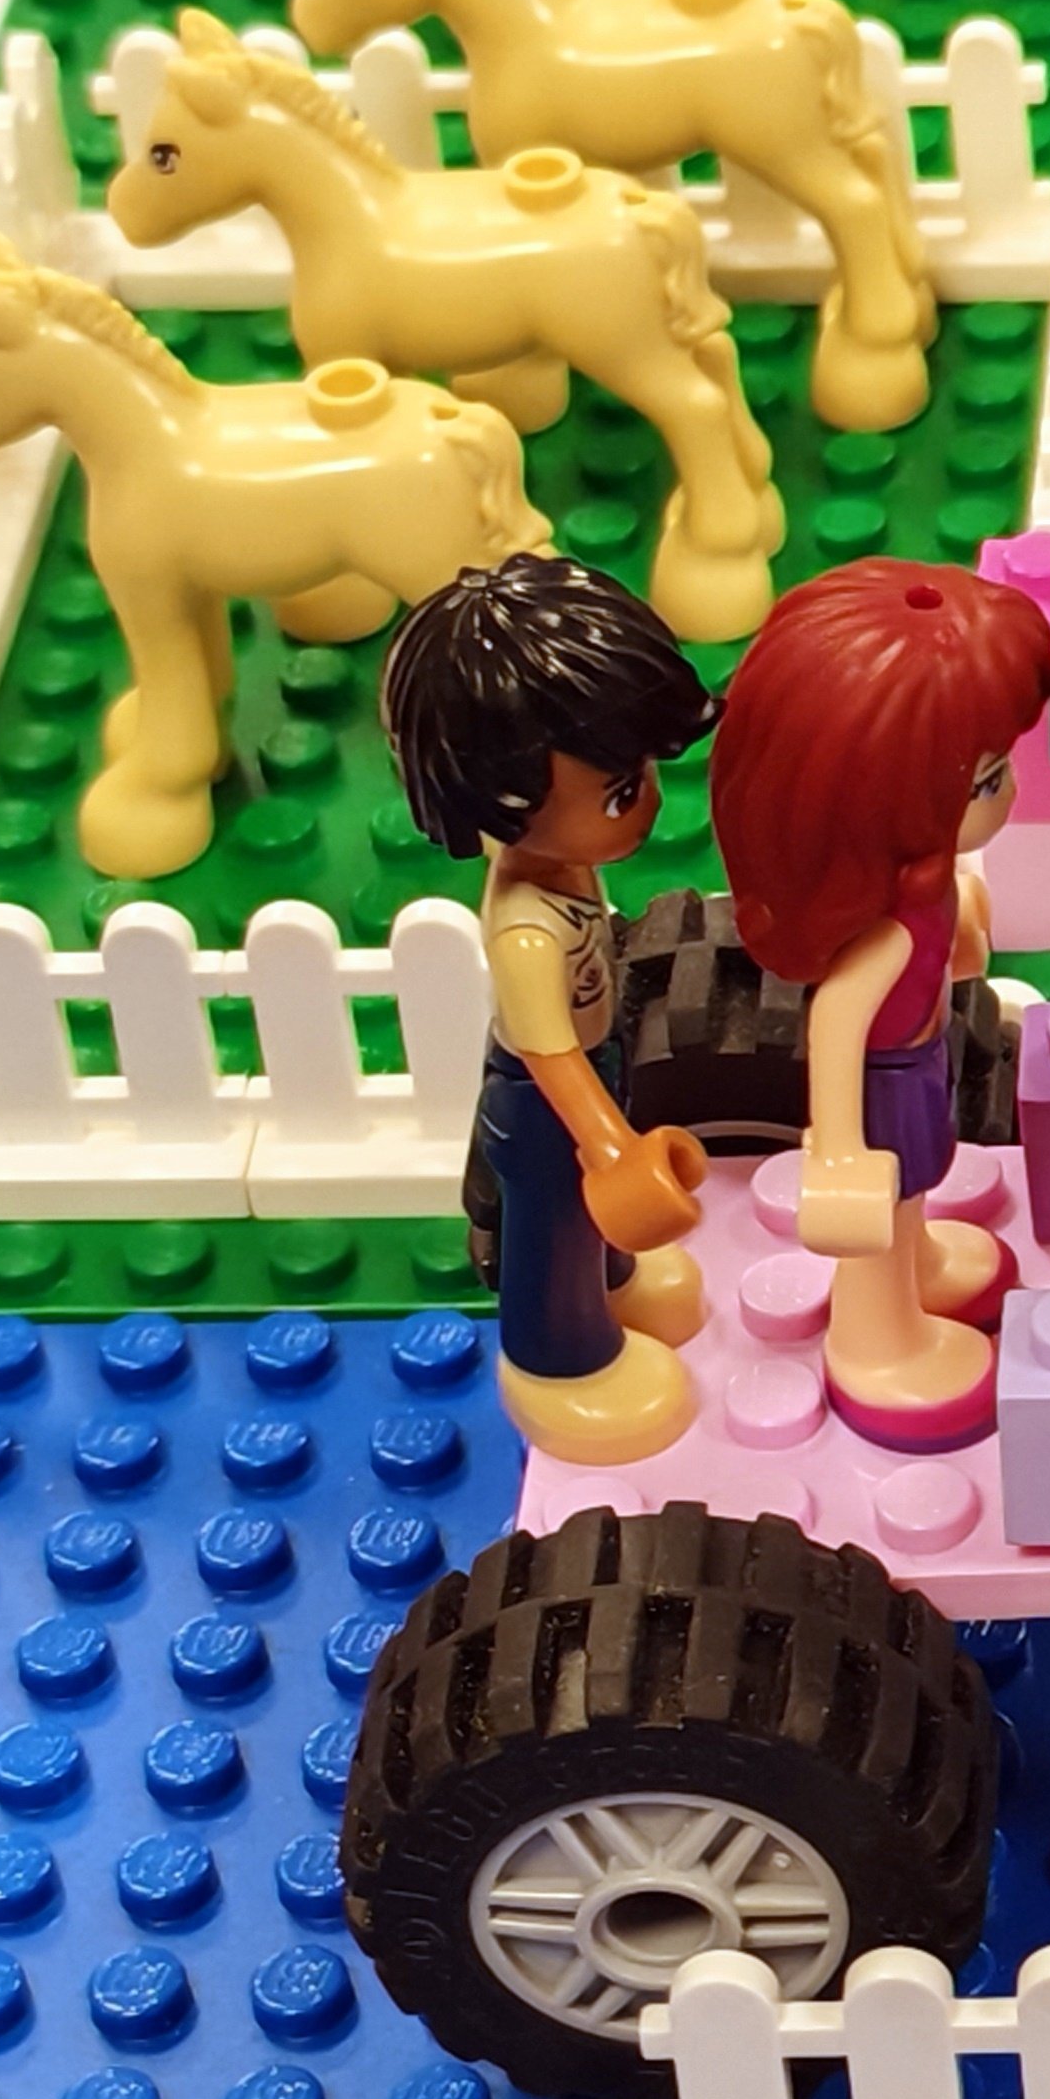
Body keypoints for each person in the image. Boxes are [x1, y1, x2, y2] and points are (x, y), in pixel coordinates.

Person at [711, 558, 1050, 1448]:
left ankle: (924, 1266)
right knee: (885, 1210)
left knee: (918, 1193)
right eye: (985, 782)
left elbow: (945, 944)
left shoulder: (922, 896)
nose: (1009, 794)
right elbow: (835, 1025)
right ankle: (876, 1342)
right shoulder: (881, 939)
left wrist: (961, 931)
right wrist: (836, 1153)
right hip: (878, 1091)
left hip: (919, 1064)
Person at [381, 552, 716, 1461]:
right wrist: (608, 1145)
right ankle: (558, 1360)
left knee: (589, 1227)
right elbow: (547, 1054)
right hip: (545, 1103)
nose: (648, 803)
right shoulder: (527, 931)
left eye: (641, 773)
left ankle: (613, 1287)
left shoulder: (561, 862)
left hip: (594, 1066)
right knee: (553, 1222)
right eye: (619, 791)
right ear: (502, 795)